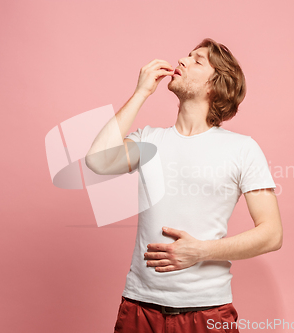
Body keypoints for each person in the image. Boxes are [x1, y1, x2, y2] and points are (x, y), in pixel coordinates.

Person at [87, 38, 283, 333]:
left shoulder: (243, 149)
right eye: (187, 55)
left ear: (214, 85)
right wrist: (141, 93)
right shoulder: (148, 140)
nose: (182, 60)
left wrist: (200, 251)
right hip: (139, 307)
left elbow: (272, 234)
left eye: (197, 60)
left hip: (207, 312)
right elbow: (97, 161)